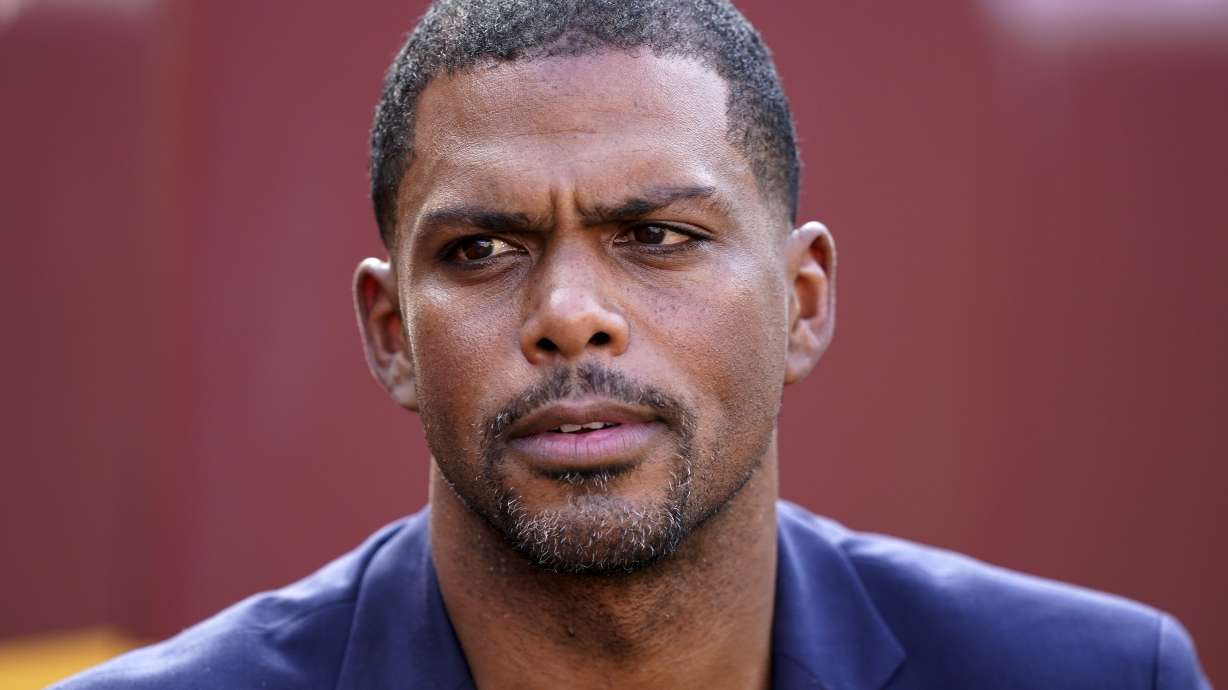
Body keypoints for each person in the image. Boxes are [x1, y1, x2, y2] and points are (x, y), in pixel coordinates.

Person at [57, 1, 1211, 688]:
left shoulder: (1096, 677)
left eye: (655, 235)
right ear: (390, 333)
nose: (569, 311)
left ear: (803, 300)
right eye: (482, 250)